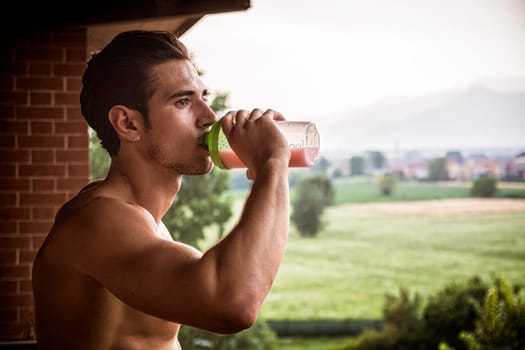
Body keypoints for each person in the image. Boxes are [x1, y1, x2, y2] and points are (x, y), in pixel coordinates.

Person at [32, 30, 290, 350]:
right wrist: (272, 163)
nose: (209, 117)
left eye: (203, 98)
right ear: (128, 124)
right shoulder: (98, 220)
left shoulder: (146, 223)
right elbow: (231, 303)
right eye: (183, 101)